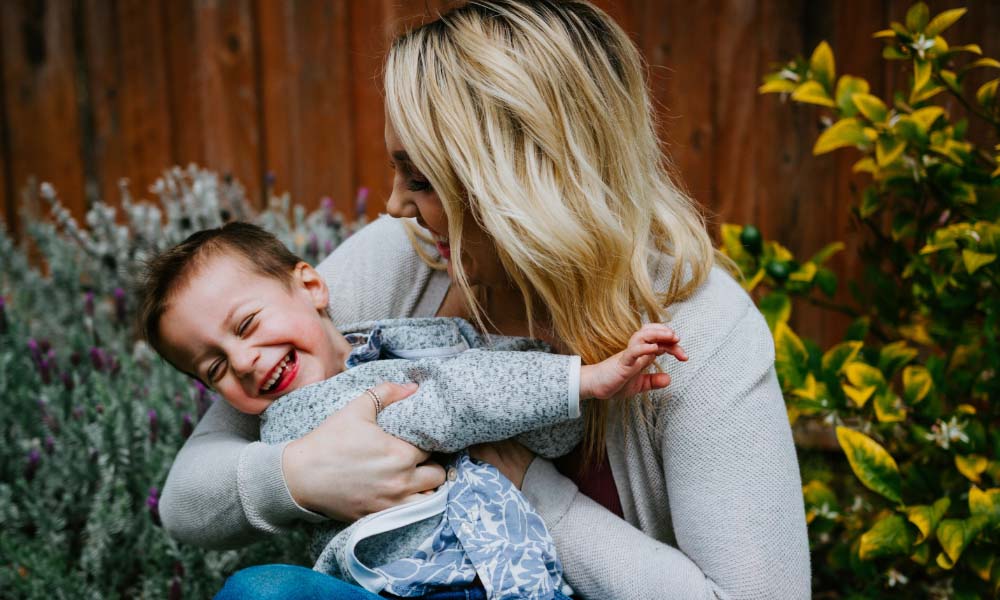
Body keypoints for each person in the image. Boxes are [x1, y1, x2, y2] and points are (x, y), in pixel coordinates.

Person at [160, 1, 811, 598]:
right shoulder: (403, 256)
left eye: (421, 180)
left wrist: (528, 486)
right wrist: (301, 475)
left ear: (522, 181)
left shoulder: (701, 328)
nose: (393, 206)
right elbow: (188, 497)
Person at [139, 222, 685, 599]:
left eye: (246, 326)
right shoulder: (298, 419)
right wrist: (583, 380)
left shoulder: (403, 343)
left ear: (311, 285)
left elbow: (542, 434)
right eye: (213, 369)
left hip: (511, 572)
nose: (244, 362)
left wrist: (552, 408)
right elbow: (448, 403)